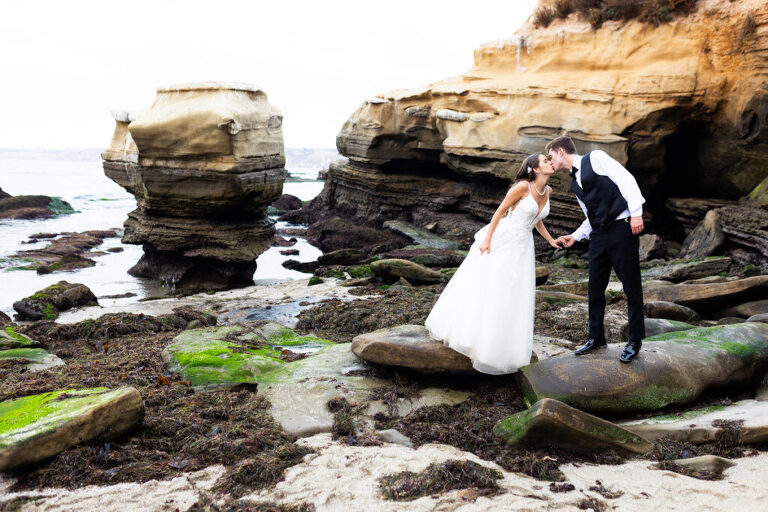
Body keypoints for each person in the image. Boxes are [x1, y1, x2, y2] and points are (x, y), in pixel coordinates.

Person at [425, 153, 560, 374]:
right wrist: (487, 239)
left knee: (514, 291)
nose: (549, 162)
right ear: (535, 169)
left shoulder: (548, 191)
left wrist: (551, 240)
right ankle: (476, 340)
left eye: (549, 160)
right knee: (493, 286)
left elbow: (538, 220)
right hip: (504, 239)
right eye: (545, 161)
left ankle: (503, 345)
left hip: (524, 245)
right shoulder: (523, 187)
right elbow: (499, 212)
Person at [546, 136, 646, 363]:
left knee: (631, 287)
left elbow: (626, 179)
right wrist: (575, 236)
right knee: (595, 287)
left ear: (561, 152)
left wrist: (636, 213)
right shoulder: (574, 182)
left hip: (622, 227)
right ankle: (596, 337)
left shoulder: (596, 158)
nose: (550, 161)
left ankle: (634, 340)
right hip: (599, 235)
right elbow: (590, 215)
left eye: (550, 156)